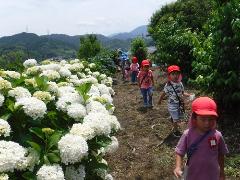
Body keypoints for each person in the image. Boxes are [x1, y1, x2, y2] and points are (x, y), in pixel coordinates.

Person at [174, 97, 229, 180]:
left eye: (210, 119)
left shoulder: (217, 135)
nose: (207, 123)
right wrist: (178, 167)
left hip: (212, 175)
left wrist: (221, 172)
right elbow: (179, 152)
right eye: (203, 119)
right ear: (195, 118)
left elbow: (221, 154)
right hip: (193, 175)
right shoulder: (188, 134)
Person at [158, 65, 190, 137]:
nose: (176, 76)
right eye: (173, 74)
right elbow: (164, 93)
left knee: (178, 117)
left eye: (177, 74)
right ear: (169, 76)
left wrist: (188, 95)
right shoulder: (168, 85)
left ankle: (173, 118)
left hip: (179, 104)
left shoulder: (180, 83)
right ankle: (176, 131)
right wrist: (160, 100)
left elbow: (182, 93)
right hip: (172, 105)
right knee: (176, 119)